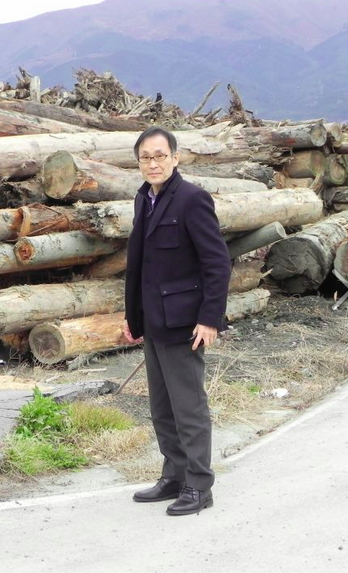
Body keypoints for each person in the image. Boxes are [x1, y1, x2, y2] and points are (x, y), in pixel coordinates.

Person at [123, 126, 231, 516]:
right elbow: (141, 267)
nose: (152, 163)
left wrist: (209, 319)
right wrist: (132, 316)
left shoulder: (192, 199)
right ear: (138, 163)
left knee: (189, 407)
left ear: (175, 157)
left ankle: (199, 486)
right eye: (145, 158)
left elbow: (217, 262)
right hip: (153, 321)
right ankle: (174, 475)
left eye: (159, 156)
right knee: (162, 407)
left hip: (185, 324)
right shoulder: (143, 200)